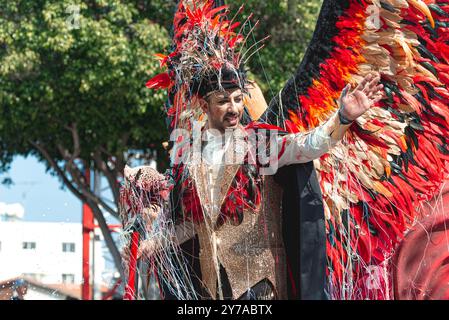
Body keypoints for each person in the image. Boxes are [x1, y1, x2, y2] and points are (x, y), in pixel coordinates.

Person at [120, 0, 384, 300]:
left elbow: (308, 145)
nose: (233, 108)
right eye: (223, 101)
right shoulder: (190, 158)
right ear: (205, 106)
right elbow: (196, 223)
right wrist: (156, 242)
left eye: (237, 99)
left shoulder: (260, 144)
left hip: (261, 289)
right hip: (213, 290)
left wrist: (344, 117)